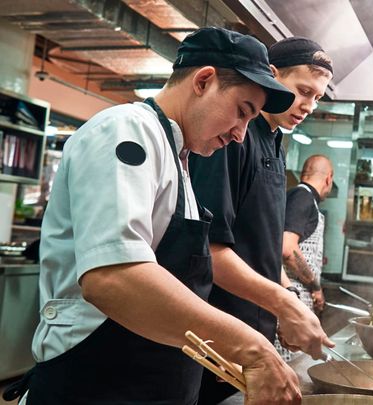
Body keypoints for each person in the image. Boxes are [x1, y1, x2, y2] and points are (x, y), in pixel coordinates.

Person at [11, 27, 304, 405]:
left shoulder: (179, 158)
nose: (240, 135)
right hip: (94, 385)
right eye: (241, 112)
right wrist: (251, 348)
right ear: (203, 81)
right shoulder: (126, 130)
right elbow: (114, 277)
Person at [189, 37, 335, 404]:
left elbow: (263, 244)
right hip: (217, 333)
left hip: (252, 335)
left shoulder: (274, 142)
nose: (309, 106)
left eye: (317, 97)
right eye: (303, 91)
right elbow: (210, 249)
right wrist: (284, 305)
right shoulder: (230, 138)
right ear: (272, 76)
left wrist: (284, 301)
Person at [275, 155, 333, 362]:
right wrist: (315, 286)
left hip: (291, 303)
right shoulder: (303, 197)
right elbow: (287, 248)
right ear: (329, 179)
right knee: (285, 364)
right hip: (291, 299)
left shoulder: (296, 196)